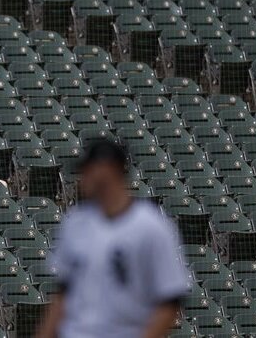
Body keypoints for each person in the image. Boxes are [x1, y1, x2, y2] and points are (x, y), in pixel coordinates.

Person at [37, 140, 189, 338]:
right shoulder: (75, 222)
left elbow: (170, 300)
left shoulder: (150, 226)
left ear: (108, 169)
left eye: (87, 170)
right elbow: (62, 293)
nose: (82, 179)